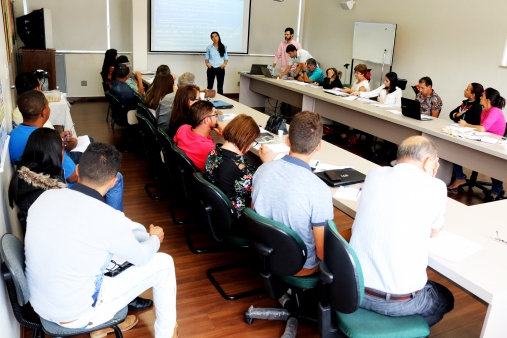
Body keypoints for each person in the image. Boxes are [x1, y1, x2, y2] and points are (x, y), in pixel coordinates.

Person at [24, 142, 178, 338]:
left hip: (40, 304)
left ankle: (101, 325)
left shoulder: (45, 197)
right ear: (113, 181)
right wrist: (155, 238)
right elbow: (142, 258)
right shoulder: (108, 218)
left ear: (78, 170)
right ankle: (165, 333)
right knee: (164, 264)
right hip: (77, 314)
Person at [350, 135, 454, 327]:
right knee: (445, 299)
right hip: (396, 301)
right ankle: (394, 327)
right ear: (428, 161)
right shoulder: (435, 186)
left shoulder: (374, 174)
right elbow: (435, 231)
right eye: (436, 163)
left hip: (353, 290)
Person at [9, 90, 124, 211]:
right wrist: (59, 145)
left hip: (40, 185)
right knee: (116, 178)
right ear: (43, 112)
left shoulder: (14, 135)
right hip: (64, 190)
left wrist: (56, 140)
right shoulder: (49, 148)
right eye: (48, 105)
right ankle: (114, 218)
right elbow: (73, 176)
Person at [251, 111, 333, 276]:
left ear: (288, 141)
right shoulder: (319, 189)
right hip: (300, 266)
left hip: (265, 252)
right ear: (319, 145)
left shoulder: (262, 169)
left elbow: (255, 216)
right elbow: (322, 254)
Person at [205, 114, 274, 218]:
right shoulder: (239, 170)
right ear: (246, 139)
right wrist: (268, 164)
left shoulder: (213, 153)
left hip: (217, 212)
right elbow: (260, 188)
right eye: (253, 142)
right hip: (237, 220)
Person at [447, 88, 506, 201]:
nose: (480, 97)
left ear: (488, 100)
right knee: (455, 149)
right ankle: (459, 177)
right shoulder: (484, 111)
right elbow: (481, 129)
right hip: (484, 141)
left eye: (482, 96)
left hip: (495, 146)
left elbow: (482, 128)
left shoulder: (495, 111)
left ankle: (496, 190)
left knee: (494, 165)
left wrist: (466, 125)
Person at [8, 128, 67, 233]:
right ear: (54, 153)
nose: (63, 152)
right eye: (62, 148)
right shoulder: (50, 194)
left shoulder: (24, 178)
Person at [174, 100, 224, 172]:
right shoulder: (209, 148)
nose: (216, 117)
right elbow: (223, 169)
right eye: (215, 115)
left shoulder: (183, 128)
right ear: (206, 120)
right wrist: (227, 137)